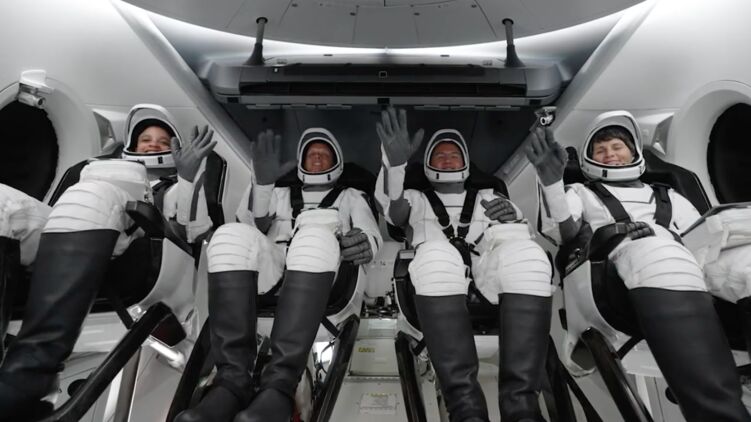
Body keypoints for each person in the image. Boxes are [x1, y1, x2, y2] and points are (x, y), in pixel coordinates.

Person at [526, 110, 751, 421]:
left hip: (689, 262)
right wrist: (552, 184)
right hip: (615, 271)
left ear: (633, 152)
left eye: (617, 147)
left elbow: (701, 236)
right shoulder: (581, 192)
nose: (610, 154)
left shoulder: (670, 195)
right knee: (659, 251)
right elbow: (566, 234)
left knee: (745, 264)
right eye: (600, 150)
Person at [0, 104, 216, 420]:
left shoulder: (173, 190)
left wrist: (187, 178)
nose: (153, 145)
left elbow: (189, 233)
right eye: (146, 140)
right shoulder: (85, 172)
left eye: (161, 141)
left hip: (130, 246)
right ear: (131, 145)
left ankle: (28, 380)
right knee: (4, 203)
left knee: (99, 191)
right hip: (65, 237)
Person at [175, 127, 381, 422]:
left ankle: (280, 386)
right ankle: (231, 382)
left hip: (325, 275)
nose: (317, 158)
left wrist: (365, 243)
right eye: (311, 154)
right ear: (300, 162)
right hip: (271, 273)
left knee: (314, 235)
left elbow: (370, 233)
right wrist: (262, 185)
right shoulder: (277, 193)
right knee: (229, 235)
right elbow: (250, 227)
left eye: (324, 154)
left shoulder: (351, 196)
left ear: (338, 162)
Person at [375, 107, 553, 422]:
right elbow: (394, 212)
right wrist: (397, 167)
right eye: (440, 155)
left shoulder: (490, 195)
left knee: (529, 256)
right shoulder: (415, 198)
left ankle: (523, 409)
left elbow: (519, 234)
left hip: (489, 284)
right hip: (435, 283)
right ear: (428, 163)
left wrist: (513, 216)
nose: (447, 160)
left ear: (466, 163)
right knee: (436, 254)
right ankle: (466, 410)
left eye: (454, 155)